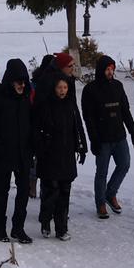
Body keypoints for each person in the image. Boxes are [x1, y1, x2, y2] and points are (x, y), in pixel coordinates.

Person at [81, 54, 134, 219]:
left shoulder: (118, 86)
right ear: (101, 70)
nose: (110, 72)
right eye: (107, 69)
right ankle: (100, 203)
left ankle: (110, 193)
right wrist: (93, 140)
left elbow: (125, 111)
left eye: (112, 69)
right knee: (102, 172)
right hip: (102, 139)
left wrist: (133, 132)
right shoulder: (90, 90)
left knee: (124, 165)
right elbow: (88, 118)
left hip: (119, 136)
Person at [0, 58, 34, 244]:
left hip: (23, 154)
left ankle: (18, 228)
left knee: (23, 192)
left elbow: (32, 124)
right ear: (10, 80)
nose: (22, 85)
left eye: (24, 81)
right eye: (18, 81)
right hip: (2, 154)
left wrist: (32, 146)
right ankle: (0, 228)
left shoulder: (27, 97)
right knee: (1, 192)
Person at [33, 75, 86, 240]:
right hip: (49, 155)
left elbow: (78, 126)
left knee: (65, 192)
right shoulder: (45, 105)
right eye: (59, 88)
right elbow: (37, 129)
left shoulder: (70, 105)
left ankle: (61, 228)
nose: (62, 91)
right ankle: (45, 222)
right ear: (53, 89)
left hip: (67, 155)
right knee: (51, 191)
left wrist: (82, 147)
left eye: (65, 88)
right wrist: (41, 147)